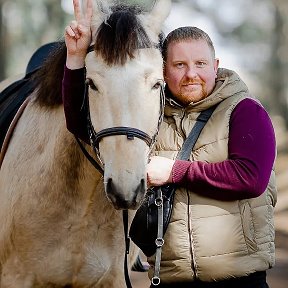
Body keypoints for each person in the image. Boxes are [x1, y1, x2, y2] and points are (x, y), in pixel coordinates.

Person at [62, 1, 277, 287]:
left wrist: (175, 171)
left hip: (238, 279)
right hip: (171, 278)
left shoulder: (245, 111)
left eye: (200, 64)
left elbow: (250, 178)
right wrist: (76, 60)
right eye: (179, 65)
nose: (191, 74)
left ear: (215, 66)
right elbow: (83, 128)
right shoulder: (154, 119)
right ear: (163, 70)